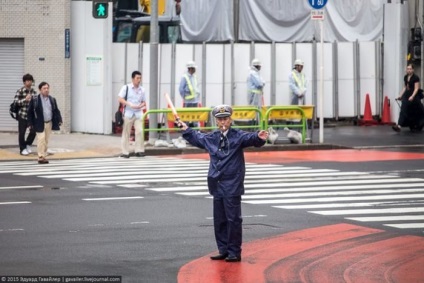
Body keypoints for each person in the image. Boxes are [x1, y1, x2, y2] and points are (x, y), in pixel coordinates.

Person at [178, 105, 269, 263]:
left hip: (232, 183)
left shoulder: (237, 135)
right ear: (216, 121)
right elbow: (197, 138)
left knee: (233, 219)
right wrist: (186, 129)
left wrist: (259, 137)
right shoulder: (212, 137)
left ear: (230, 119)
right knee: (219, 219)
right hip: (216, 183)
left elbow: (251, 138)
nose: (223, 122)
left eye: (225, 119)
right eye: (220, 119)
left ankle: (234, 251)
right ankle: (223, 249)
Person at [27, 82, 62, 164]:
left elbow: (56, 110)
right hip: (39, 122)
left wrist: (59, 119)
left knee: (46, 140)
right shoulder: (35, 99)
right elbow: (30, 112)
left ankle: (44, 155)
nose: (46, 90)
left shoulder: (52, 99)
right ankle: (40, 156)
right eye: (44, 88)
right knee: (41, 139)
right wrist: (30, 123)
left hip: (48, 123)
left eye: (47, 88)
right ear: (40, 90)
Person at [118, 70, 147, 158]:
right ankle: (125, 152)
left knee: (140, 131)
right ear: (133, 79)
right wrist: (129, 104)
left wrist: (140, 105)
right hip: (129, 113)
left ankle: (139, 150)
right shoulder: (126, 87)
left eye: (140, 78)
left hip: (138, 113)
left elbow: (144, 102)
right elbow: (120, 98)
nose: (139, 80)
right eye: (137, 78)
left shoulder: (142, 89)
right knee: (126, 132)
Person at [392, 63, 424, 132]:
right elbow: (405, 87)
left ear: (413, 70)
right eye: (407, 69)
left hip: (414, 96)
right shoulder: (405, 77)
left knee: (419, 110)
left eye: (410, 69)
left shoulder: (416, 77)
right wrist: (400, 95)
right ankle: (399, 126)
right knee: (403, 109)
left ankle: (418, 124)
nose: (408, 70)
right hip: (407, 96)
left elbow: (416, 88)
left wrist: (412, 96)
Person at [13, 73, 37, 156]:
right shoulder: (20, 91)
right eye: (27, 81)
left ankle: (28, 144)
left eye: (30, 80)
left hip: (31, 116)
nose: (29, 82)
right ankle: (22, 149)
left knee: (33, 131)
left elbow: (36, 103)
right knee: (22, 133)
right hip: (22, 115)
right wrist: (25, 99)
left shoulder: (33, 91)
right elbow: (16, 102)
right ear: (24, 82)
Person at [179, 61, 201, 127]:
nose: (195, 69)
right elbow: (181, 89)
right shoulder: (184, 77)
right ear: (190, 68)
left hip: (195, 100)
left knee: (195, 116)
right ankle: (186, 130)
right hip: (188, 101)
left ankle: (197, 130)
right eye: (194, 68)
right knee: (187, 117)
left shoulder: (194, 76)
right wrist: (184, 97)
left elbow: (196, 87)